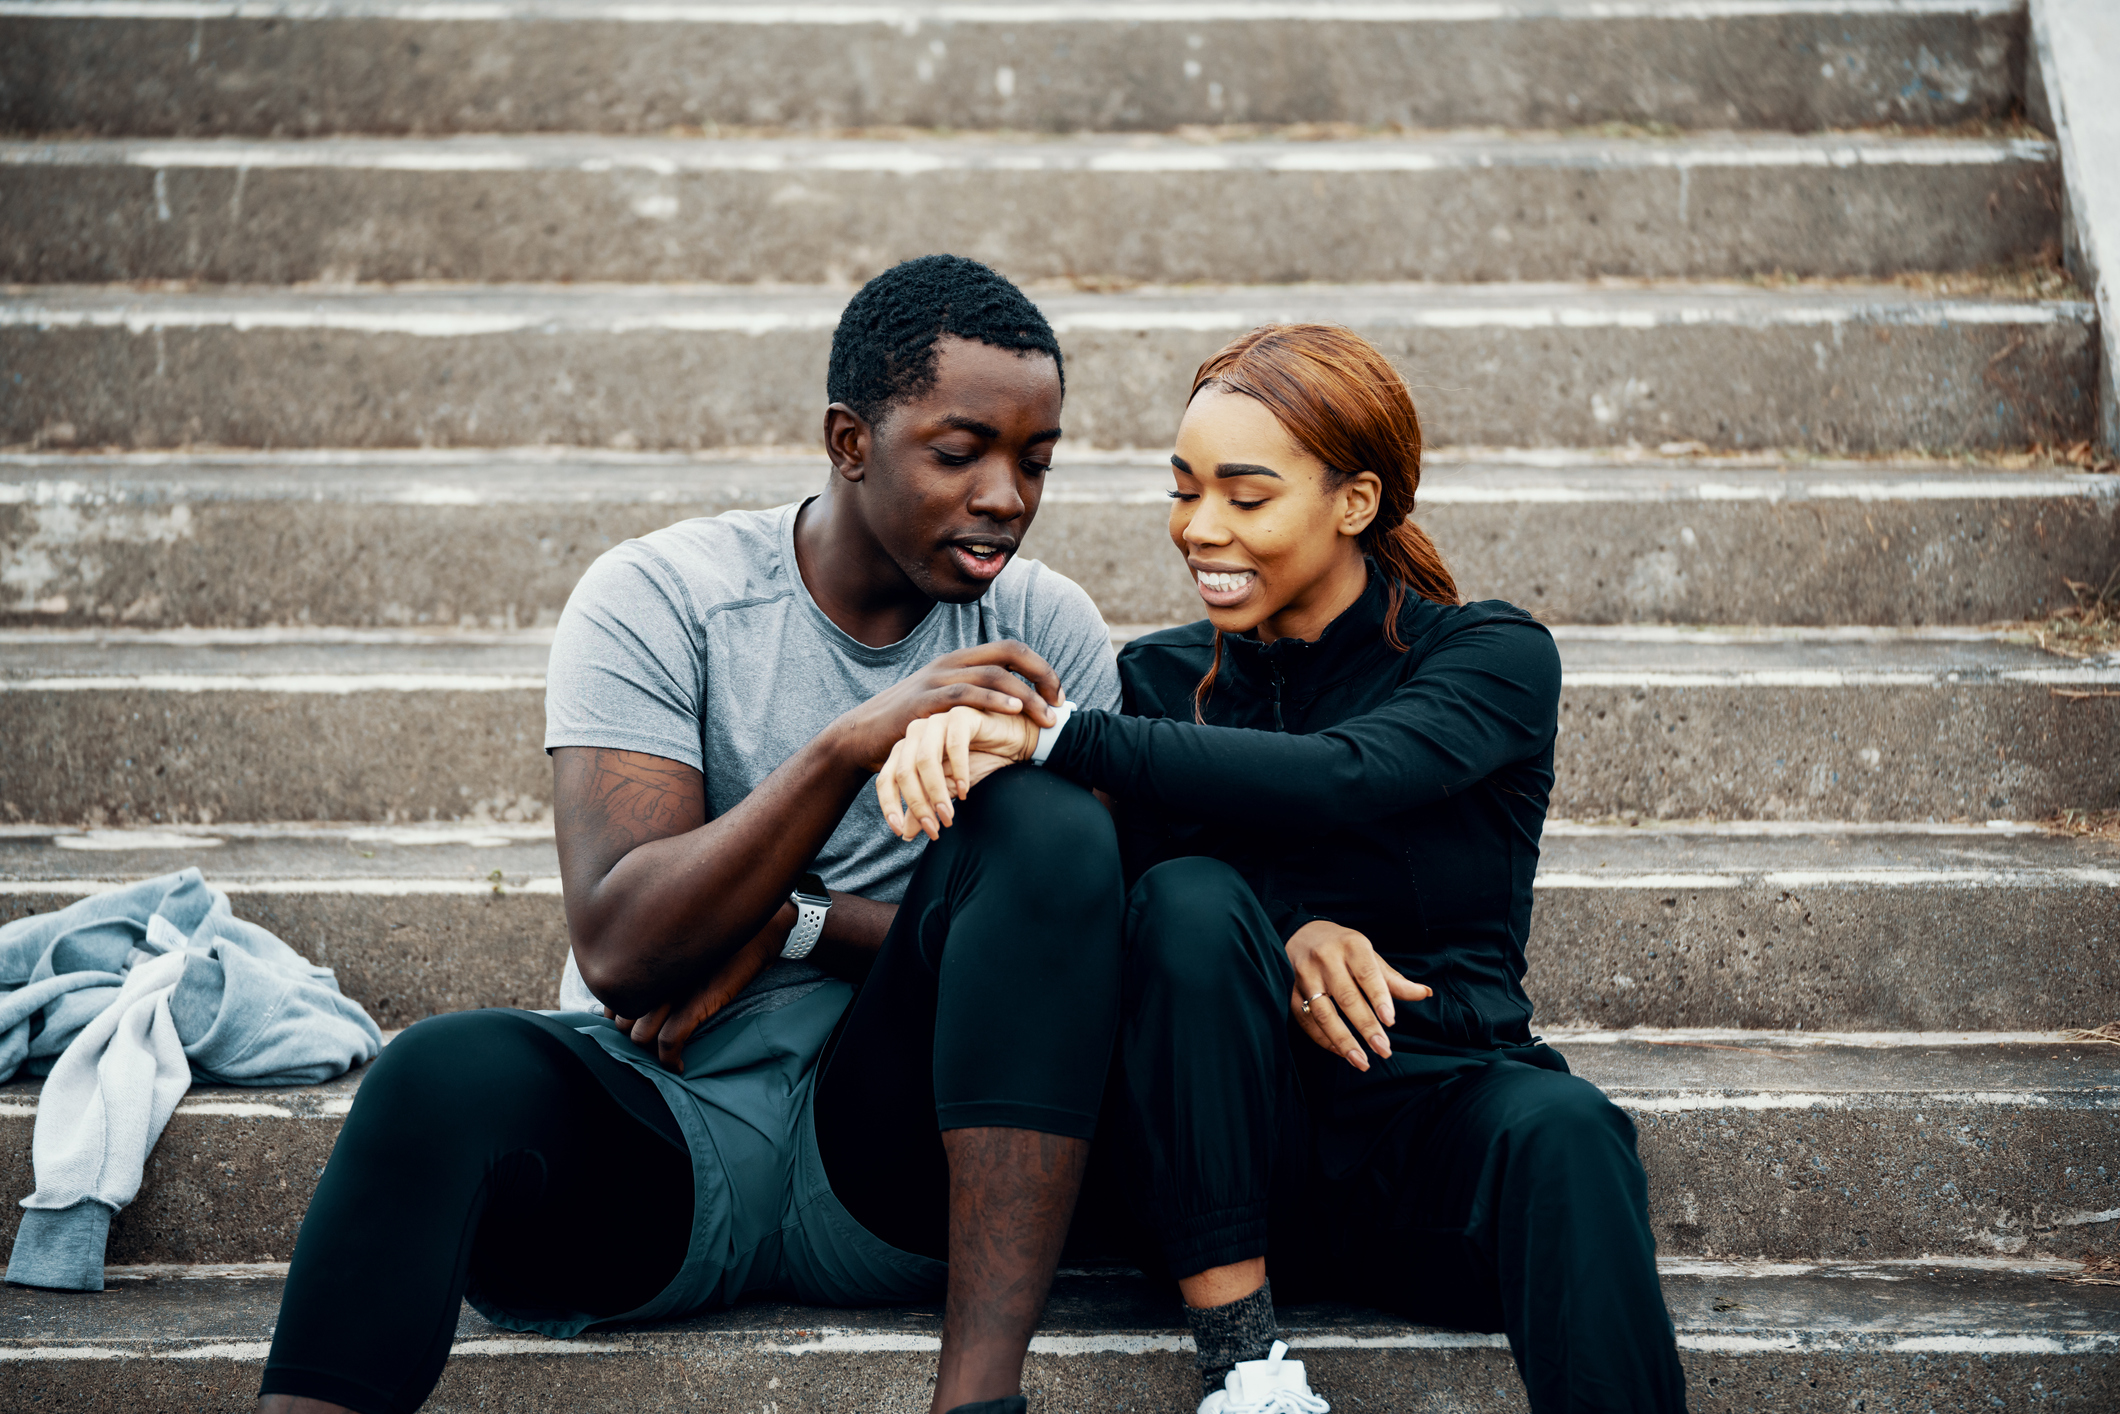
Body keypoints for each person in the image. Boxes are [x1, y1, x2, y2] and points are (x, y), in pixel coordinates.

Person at [257, 255, 1129, 1414]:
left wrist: (795, 923)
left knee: (1049, 822)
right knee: (436, 1073)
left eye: (1035, 460)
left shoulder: (1043, 631)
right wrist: (846, 746)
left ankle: (975, 1403)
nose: (1005, 496)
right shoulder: (662, 596)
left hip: (901, 1145)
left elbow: (1072, 944)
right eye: (960, 452)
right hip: (665, 1112)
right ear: (850, 441)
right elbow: (623, 946)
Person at [874, 324, 1690, 1414]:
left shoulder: (1487, 659)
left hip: (1430, 1127)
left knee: (1570, 1130)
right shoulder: (1159, 682)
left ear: (1355, 502)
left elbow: (1349, 773)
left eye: (1245, 496)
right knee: (1189, 900)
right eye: (1183, 491)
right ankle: (1243, 1367)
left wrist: (1058, 735)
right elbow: (1139, 901)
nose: (1200, 527)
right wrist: (1286, 931)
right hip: (1218, 1172)